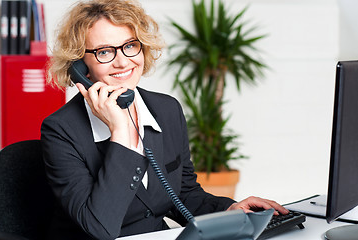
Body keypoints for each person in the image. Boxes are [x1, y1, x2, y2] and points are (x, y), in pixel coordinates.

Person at [41, 0, 289, 239]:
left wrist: (229, 211)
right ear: (80, 66)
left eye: (129, 45)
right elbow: (99, 226)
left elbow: (185, 193)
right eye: (104, 51)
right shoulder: (61, 130)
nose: (122, 61)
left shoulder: (166, 110)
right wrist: (120, 132)